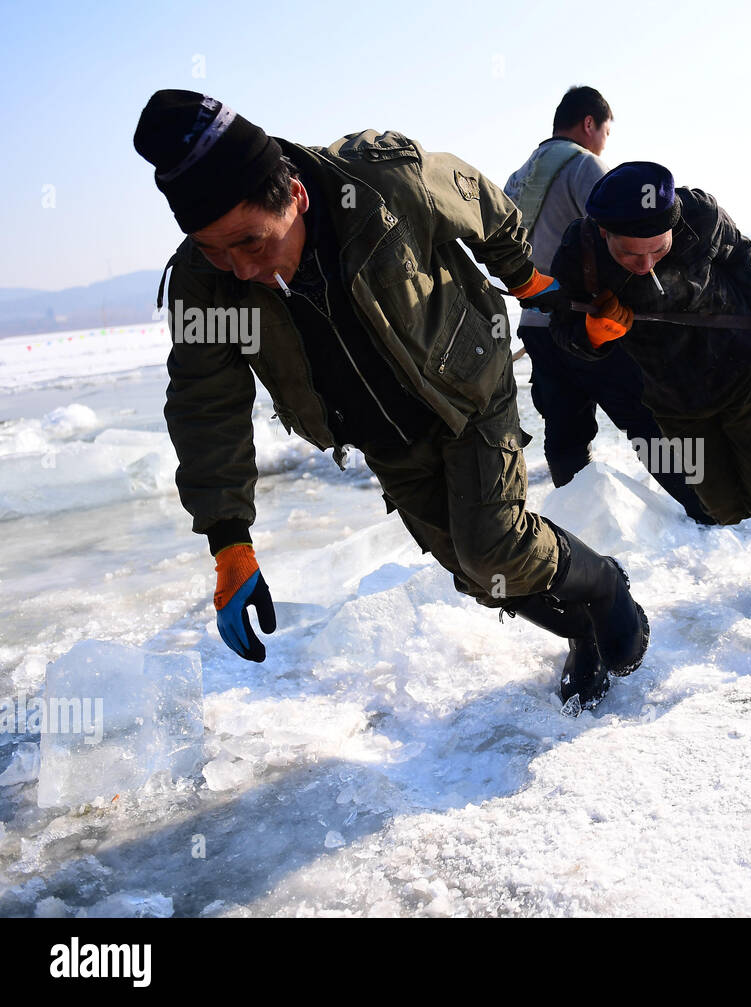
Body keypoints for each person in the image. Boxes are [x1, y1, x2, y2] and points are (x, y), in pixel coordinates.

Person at [132, 90, 647, 711]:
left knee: (494, 547)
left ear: (293, 196)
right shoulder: (203, 281)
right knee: (473, 573)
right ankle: (581, 633)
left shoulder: (379, 182)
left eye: (251, 243)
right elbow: (204, 402)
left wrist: (522, 274)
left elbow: (484, 203)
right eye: (214, 248)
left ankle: (607, 591)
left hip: (466, 389)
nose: (237, 268)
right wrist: (229, 540)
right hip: (384, 437)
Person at [542, 162, 751, 608]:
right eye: (631, 255)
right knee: (721, 503)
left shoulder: (700, 216)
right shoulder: (581, 250)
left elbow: (742, 260)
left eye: (657, 249)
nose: (647, 263)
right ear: (603, 231)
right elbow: (562, 328)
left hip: (741, 364)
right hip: (669, 387)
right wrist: (592, 336)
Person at [504, 87, 714, 524]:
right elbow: (623, 237)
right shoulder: (585, 166)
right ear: (589, 123)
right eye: (605, 131)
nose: (605, 141)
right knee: (647, 421)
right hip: (590, 323)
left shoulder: (518, 177)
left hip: (536, 324)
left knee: (565, 432)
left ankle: (577, 530)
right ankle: (706, 512)